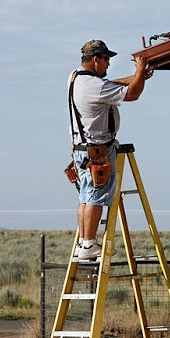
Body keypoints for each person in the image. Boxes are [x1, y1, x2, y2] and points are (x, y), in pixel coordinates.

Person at [68, 39, 153, 260]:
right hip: (98, 150)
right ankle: (88, 245)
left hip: (82, 148)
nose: (108, 64)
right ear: (95, 59)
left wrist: (137, 77)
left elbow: (111, 84)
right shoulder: (95, 86)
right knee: (96, 196)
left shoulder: (77, 78)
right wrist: (139, 72)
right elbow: (133, 94)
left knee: (86, 197)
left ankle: (83, 243)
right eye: (106, 59)